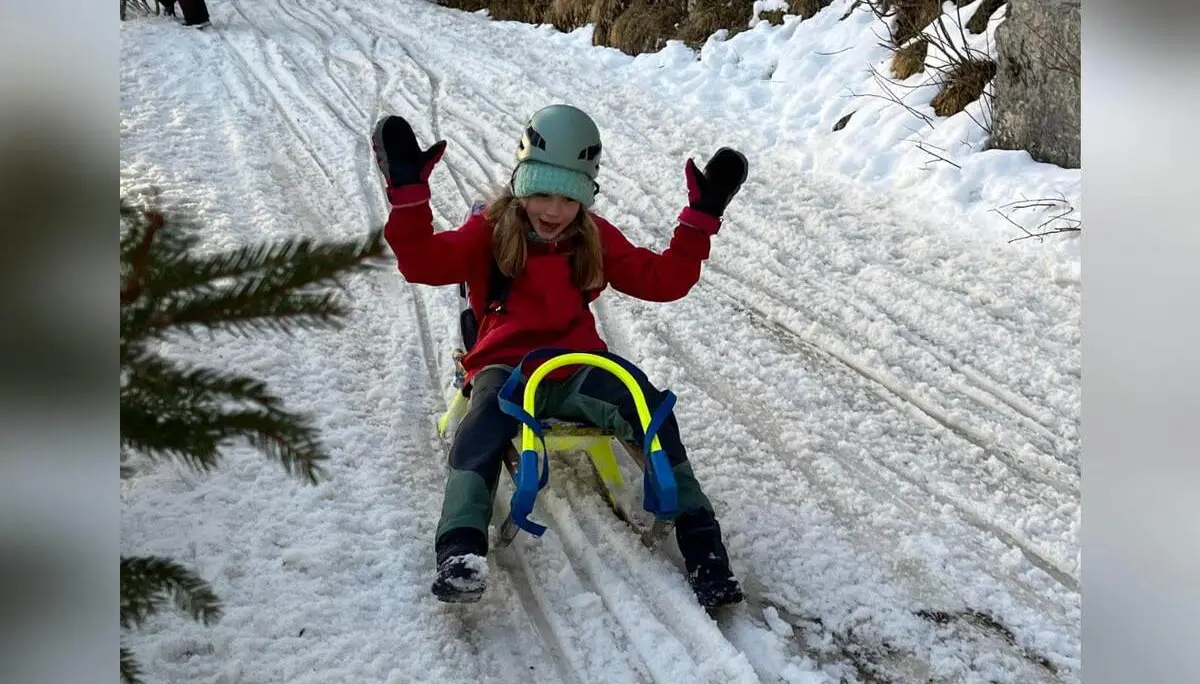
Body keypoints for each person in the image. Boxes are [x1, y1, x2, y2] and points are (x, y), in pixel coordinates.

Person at [371, 104, 749, 607]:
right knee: (481, 426)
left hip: (577, 367)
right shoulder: (490, 230)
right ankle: (460, 548)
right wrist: (409, 199)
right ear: (521, 183)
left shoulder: (591, 236)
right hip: (508, 367)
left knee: (651, 409)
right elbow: (422, 263)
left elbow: (665, 280)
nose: (554, 209)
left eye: (569, 197)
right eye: (542, 192)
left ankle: (705, 552)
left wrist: (700, 220)